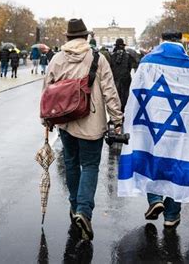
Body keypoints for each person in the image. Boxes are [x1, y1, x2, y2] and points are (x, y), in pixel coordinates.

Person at [118, 30, 189, 228]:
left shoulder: (147, 62)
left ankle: (155, 199)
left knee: (150, 156)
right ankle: (172, 215)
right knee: (179, 164)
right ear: (180, 42)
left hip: (151, 120)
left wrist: (130, 118)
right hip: (183, 125)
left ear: (161, 40)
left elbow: (136, 92)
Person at [43, 18, 122, 241]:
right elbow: (109, 90)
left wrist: (45, 119)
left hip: (66, 121)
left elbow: (47, 90)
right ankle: (84, 211)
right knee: (89, 165)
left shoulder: (57, 58)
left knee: (70, 162)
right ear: (86, 37)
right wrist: (117, 119)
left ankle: (75, 205)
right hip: (92, 121)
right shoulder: (97, 58)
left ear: (68, 38)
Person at [110, 38, 133, 112]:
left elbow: (110, 67)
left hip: (115, 78)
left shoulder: (112, 55)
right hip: (125, 78)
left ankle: (116, 113)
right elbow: (130, 67)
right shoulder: (128, 55)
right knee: (125, 95)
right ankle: (124, 111)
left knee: (115, 96)